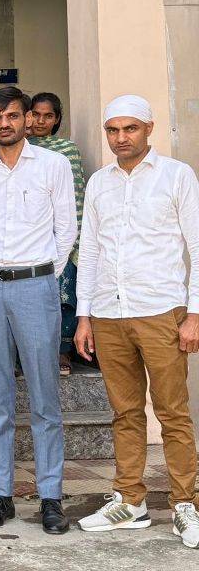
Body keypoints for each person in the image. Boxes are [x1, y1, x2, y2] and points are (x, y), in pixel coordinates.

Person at [74, 95, 199, 548]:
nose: (120, 138)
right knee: (124, 413)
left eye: (129, 128)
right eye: (112, 130)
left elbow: (196, 244)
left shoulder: (176, 175)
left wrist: (194, 313)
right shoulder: (99, 183)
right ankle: (130, 500)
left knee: (172, 413)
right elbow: (89, 250)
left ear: (149, 128)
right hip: (109, 314)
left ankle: (186, 503)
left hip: (161, 310)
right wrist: (84, 315)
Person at [0, 86, 76, 534]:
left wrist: (42, 276)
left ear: (27, 118)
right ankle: (1, 494)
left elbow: (66, 229)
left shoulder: (53, 165)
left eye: (12, 115)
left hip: (36, 285)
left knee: (45, 397)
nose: (4, 123)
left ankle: (50, 496)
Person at [28, 92, 87, 376]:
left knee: (63, 294)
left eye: (48, 116)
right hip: (32, 236)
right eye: (36, 114)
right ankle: (28, 355)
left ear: (57, 119)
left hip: (63, 234)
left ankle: (62, 351)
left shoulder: (67, 150)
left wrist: (73, 238)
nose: (41, 121)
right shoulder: (19, 147)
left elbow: (77, 195)